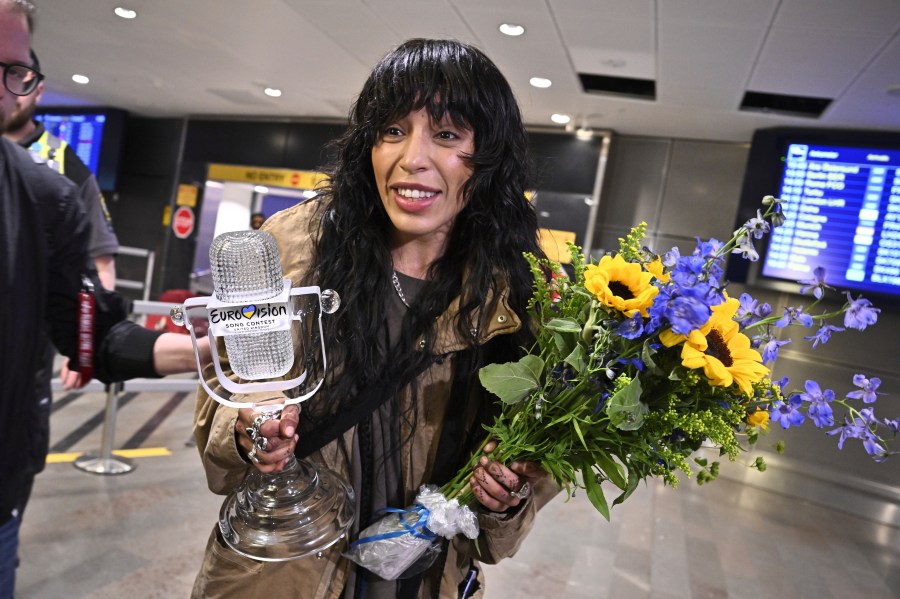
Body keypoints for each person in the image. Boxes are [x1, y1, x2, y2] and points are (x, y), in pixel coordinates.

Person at [192, 38, 558, 599]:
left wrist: (507, 494)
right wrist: (250, 431)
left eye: (448, 134)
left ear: (488, 158)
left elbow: (504, 527)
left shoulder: (514, 293)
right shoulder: (289, 250)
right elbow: (220, 433)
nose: (413, 158)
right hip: (284, 573)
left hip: (426, 578)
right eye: (392, 130)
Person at [0, 2, 208, 594]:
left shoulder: (48, 194)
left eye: (14, 70)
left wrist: (201, 350)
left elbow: (90, 331)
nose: (4, 90)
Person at [4, 49, 118, 290]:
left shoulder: (69, 166)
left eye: (20, 79)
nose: (12, 93)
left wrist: (95, 321)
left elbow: (102, 265)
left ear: (38, 91)